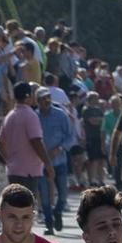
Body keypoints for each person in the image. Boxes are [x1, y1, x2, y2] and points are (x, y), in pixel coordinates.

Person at [0, 82, 52, 229]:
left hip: (14, 170)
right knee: (26, 210)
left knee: (14, 209)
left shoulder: (9, 116)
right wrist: (47, 163)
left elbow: (0, 143)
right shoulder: (30, 115)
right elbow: (36, 141)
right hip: (29, 171)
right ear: (28, 96)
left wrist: (10, 160)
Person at [34, 85, 79, 232]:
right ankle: (49, 224)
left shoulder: (61, 115)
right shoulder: (34, 117)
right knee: (45, 196)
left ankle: (58, 212)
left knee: (63, 195)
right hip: (40, 162)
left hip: (59, 160)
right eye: (42, 99)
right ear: (37, 101)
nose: (46, 101)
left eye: (48, 97)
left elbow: (71, 136)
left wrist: (60, 148)